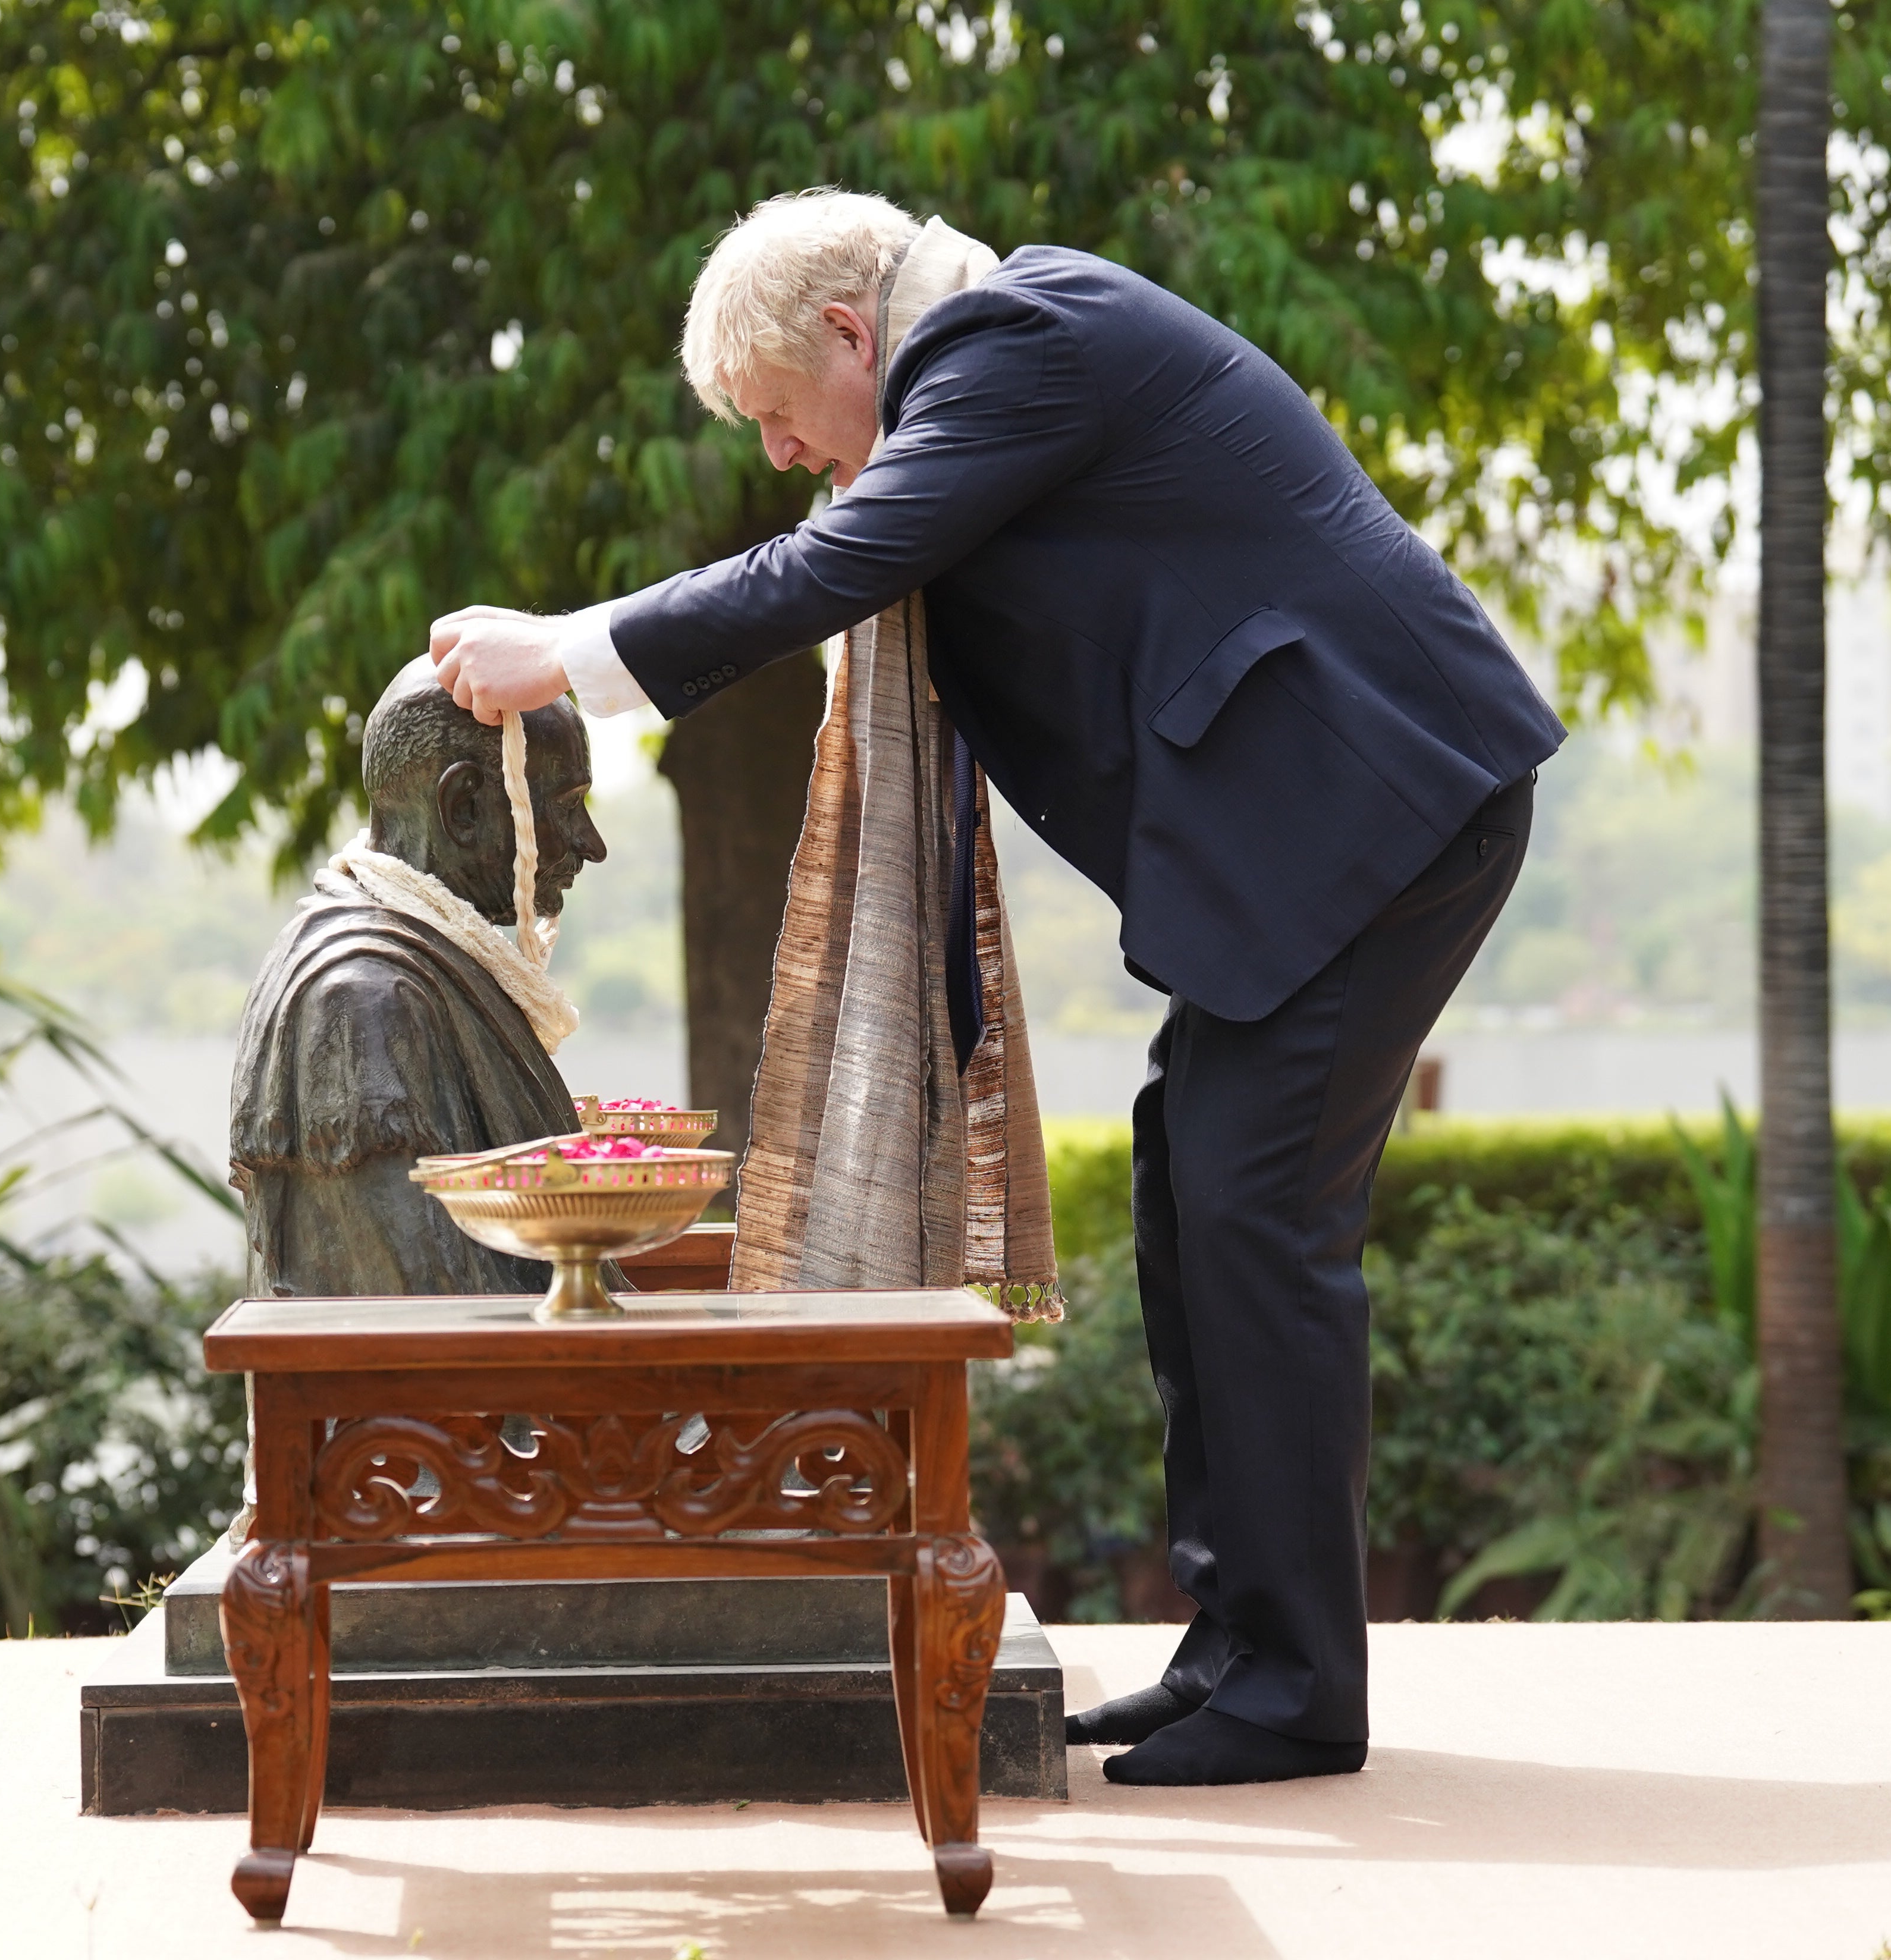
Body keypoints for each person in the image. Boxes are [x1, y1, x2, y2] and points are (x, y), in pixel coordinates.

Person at [428, 190, 1564, 1786]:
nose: (777, 451)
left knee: (1255, 1222)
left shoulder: (1014, 340)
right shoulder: (999, 353)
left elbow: (839, 562)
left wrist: (572, 650)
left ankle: (1297, 1688)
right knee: (1190, 1192)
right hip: (1314, 836)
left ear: (847, 335)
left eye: (775, 412)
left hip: (1379, 808)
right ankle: (1238, 1649)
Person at [227, 659, 605, 1298]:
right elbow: (422, 1320)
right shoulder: (364, 999)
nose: (590, 843)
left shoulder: (415, 967)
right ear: (464, 808)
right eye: (568, 806)